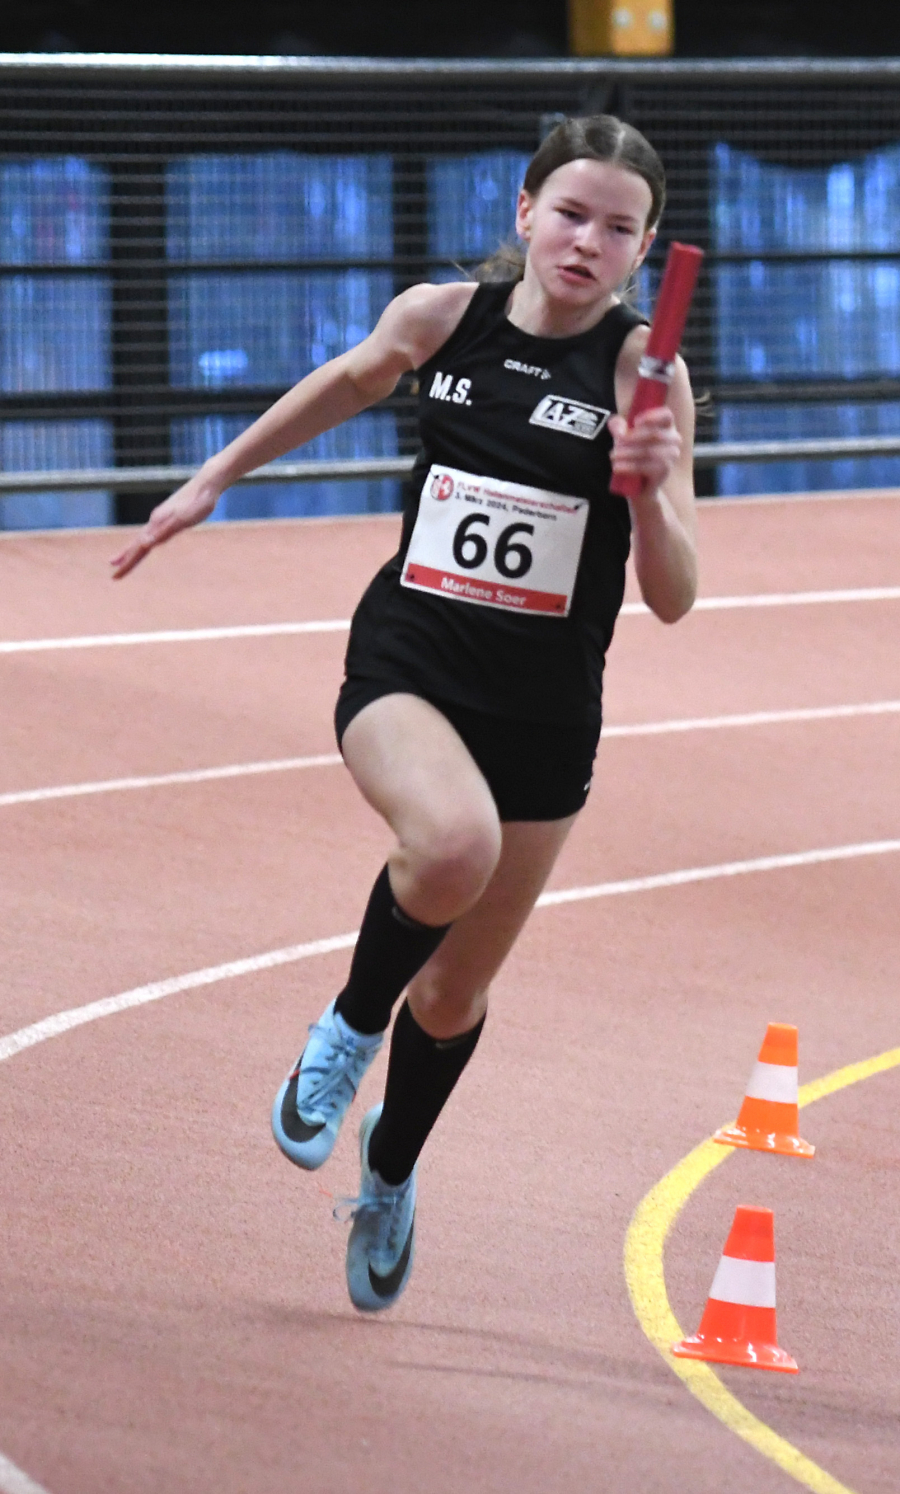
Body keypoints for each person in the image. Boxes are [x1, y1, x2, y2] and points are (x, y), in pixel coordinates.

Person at [111, 115, 697, 1314]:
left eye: (620, 228)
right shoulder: (445, 318)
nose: (589, 242)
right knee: (449, 845)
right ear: (524, 211)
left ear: (647, 250)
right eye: (571, 213)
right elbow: (343, 380)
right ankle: (344, 1027)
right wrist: (213, 480)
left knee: (456, 995)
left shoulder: (649, 374)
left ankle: (390, 1168)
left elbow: (677, 598)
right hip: (411, 660)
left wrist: (648, 493)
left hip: (546, 710)